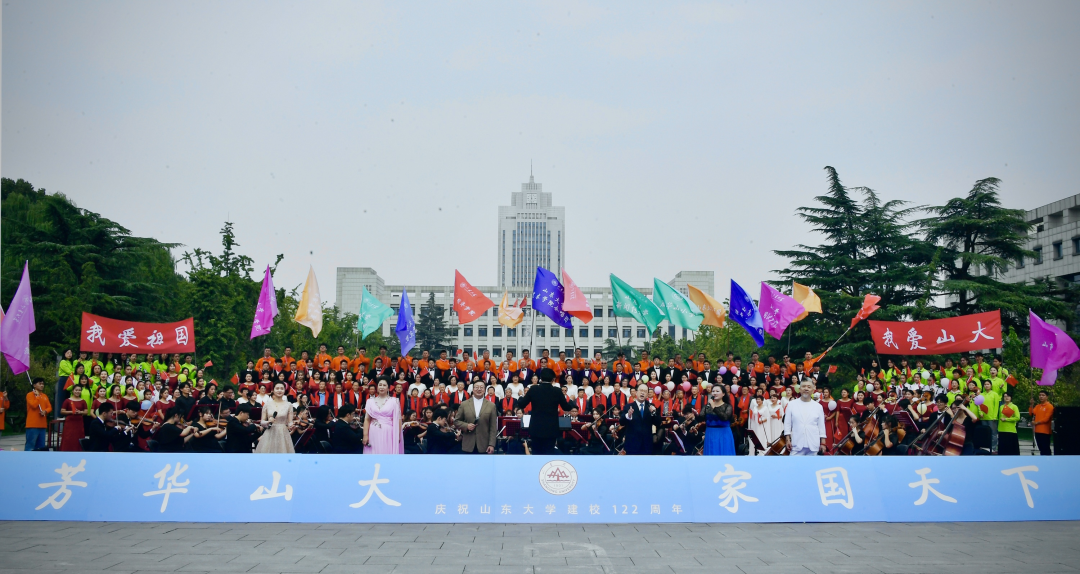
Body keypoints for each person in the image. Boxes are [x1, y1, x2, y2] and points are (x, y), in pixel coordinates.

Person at [517, 368, 576, 455]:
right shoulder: (557, 391)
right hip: (551, 429)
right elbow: (566, 407)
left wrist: (521, 396)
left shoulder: (533, 389)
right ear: (553, 379)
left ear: (540, 378)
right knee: (549, 453)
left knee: (536, 453)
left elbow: (521, 405)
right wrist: (571, 400)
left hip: (536, 428)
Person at [783, 378, 827, 455]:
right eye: (804, 386)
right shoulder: (791, 404)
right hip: (796, 444)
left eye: (809, 387)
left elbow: (821, 426)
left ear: (813, 390)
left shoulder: (818, 406)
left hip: (813, 444)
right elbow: (787, 424)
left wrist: (823, 443)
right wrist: (787, 439)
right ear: (799, 389)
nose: (806, 389)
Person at [455, 380, 498, 454]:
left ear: (485, 390)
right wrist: (466, 426)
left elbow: (493, 427)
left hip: (484, 445)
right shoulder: (464, 404)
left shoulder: (491, 406)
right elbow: (456, 421)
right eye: (476, 387)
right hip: (468, 444)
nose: (479, 389)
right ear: (473, 389)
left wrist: (491, 444)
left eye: (481, 387)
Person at [364, 379, 404, 454]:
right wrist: (365, 435)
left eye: (384, 385)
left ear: (388, 388)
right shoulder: (370, 401)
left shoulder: (394, 401)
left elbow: (398, 419)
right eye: (380, 385)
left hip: (389, 433)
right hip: (373, 432)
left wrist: (398, 435)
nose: (382, 387)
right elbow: (367, 419)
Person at [255, 382, 295, 454]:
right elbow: (262, 422)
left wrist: (291, 425)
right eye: (277, 388)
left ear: (284, 390)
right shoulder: (267, 404)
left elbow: (290, 422)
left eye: (282, 389)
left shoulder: (289, 405)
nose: (279, 390)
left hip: (283, 433)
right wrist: (268, 422)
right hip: (270, 432)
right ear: (273, 390)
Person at [621, 383, 661, 455]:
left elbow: (658, 423)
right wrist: (628, 415)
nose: (642, 393)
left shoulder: (651, 407)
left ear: (647, 395)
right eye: (641, 390)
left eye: (645, 391)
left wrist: (654, 413)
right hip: (632, 445)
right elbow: (621, 422)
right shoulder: (628, 407)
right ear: (636, 392)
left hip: (647, 446)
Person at [702, 385, 735, 455]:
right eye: (713, 391)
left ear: (723, 394)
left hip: (723, 433)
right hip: (710, 433)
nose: (714, 393)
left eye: (717, 391)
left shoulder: (728, 406)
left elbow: (725, 417)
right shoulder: (708, 406)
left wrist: (713, 406)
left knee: (724, 453)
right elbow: (701, 417)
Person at [25, 377, 52, 451]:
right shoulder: (30, 395)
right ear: (34, 385)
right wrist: (37, 397)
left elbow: (49, 407)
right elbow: (34, 405)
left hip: (42, 425)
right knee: (30, 445)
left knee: (41, 446)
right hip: (32, 425)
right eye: (40, 383)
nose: (42, 385)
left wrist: (45, 411)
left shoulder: (44, 396)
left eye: (43, 384)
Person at [59, 382, 89, 451]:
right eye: (76, 390)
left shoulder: (83, 401)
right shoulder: (67, 401)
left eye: (79, 390)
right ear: (73, 391)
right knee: (68, 438)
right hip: (70, 422)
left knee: (78, 438)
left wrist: (80, 412)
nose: (77, 391)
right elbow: (62, 411)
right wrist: (72, 412)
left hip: (79, 422)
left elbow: (86, 412)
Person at [1030, 390, 1054, 456]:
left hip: (1045, 431)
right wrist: (1031, 405)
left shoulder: (1049, 406)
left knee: (1045, 448)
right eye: (1040, 395)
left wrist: (1036, 422)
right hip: (1037, 431)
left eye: (1043, 395)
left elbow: (1046, 419)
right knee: (1041, 448)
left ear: (1047, 397)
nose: (1041, 397)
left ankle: (1048, 460)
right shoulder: (1038, 406)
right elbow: (1031, 413)